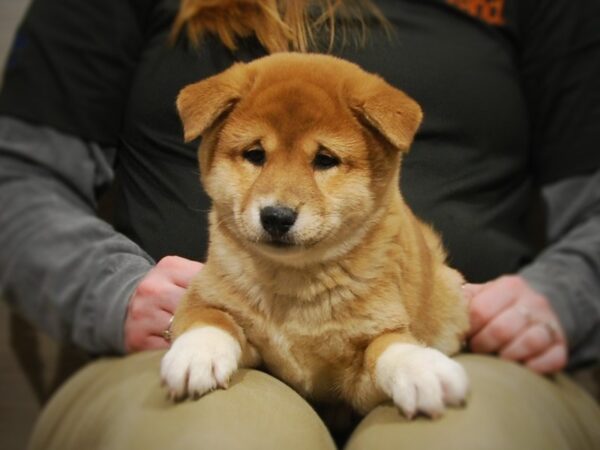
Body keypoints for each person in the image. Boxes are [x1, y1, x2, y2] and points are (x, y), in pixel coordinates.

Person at [0, 0, 599, 449]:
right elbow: (18, 181)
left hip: (469, 348)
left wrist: (559, 297)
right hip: (192, 341)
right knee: (216, 437)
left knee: (464, 437)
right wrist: (113, 291)